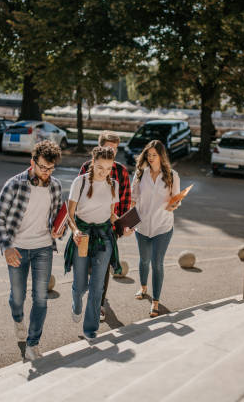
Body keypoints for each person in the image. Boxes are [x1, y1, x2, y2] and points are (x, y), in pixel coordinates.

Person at [0, 140, 65, 360]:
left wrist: (60, 232)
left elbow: (58, 219)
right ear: (32, 162)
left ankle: (33, 344)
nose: (46, 173)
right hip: (17, 249)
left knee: (41, 298)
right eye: (42, 167)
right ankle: (17, 318)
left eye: (50, 169)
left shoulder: (56, 186)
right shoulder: (15, 184)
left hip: (43, 248)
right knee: (17, 297)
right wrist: (6, 247)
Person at [65, 146, 133, 341]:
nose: (104, 172)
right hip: (83, 235)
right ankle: (76, 303)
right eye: (100, 167)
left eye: (108, 168)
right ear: (92, 163)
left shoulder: (114, 185)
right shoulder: (80, 182)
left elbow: (112, 215)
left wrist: (123, 227)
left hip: (104, 236)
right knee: (79, 285)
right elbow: (70, 215)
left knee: (97, 286)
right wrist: (76, 230)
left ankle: (90, 329)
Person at [78, 131, 131, 322]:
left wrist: (122, 227)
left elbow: (125, 202)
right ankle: (89, 291)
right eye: (109, 148)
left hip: (109, 227)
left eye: (116, 149)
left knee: (103, 266)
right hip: (86, 225)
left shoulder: (121, 171)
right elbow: (79, 197)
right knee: (87, 266)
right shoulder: (86, 167)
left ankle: (99, 304)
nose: (113, 152)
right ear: (99, 148)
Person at [131, 140, 180, 317]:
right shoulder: (139, 175)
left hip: (163, 227)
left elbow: (176, 199)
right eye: (148, 155)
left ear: (161, 156)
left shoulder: (172, 175)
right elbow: (133, 201)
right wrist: (128, 224)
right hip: (142, 227)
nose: (151, 158)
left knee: (157, 263)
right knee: (144, 260)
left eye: (154, 155)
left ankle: (156, 301)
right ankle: (143, 287)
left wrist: (173, 206)